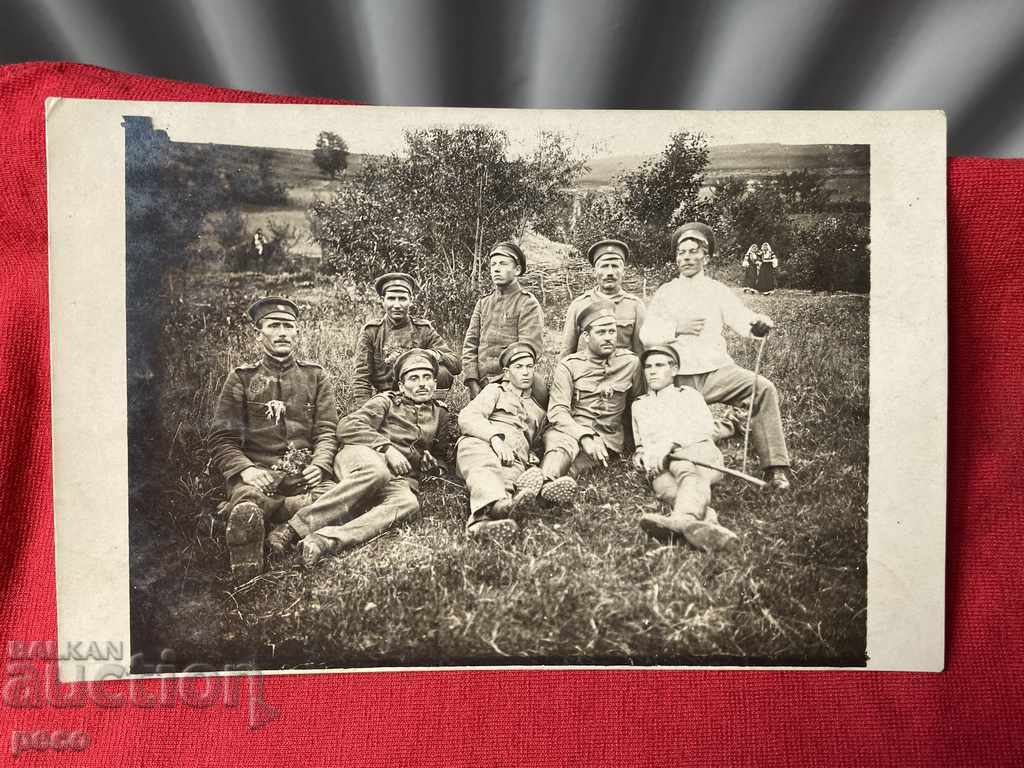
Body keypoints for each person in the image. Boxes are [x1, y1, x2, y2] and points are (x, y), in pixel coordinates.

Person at [640, 222, 791, 490]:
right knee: (679, 432)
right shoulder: (666, 293)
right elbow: (647, 334)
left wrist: (757, 322)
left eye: (692, 252)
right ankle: (691, 453)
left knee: (762, 388)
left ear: (706, 257)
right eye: (681, 252)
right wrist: (677, 327)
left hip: (715, 372)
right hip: (677, 379)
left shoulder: (716, 290)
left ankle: (776, 468)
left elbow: (741, 318)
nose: (686, 258)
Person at [267, 349, 452, 567]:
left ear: (434, 382)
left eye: (427, 377)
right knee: (377, 472)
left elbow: (440, 455)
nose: (422, 384)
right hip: (362, 455)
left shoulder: (440, 414)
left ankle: (324, 540)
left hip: (398, 476)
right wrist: (387, 448)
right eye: (414, 378)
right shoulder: (387, 401)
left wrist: (433, 466)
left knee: (409, 503)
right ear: (401, 386)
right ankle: (291, 528)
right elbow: (348, 426)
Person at [210, 297, 339, 580]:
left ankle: (264, 520)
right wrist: (248, 470)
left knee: (340, 496)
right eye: (274, 325)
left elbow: (327, 431)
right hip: (260, 477)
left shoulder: (315, 376)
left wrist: (319, 465)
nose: (282, 332)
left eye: (288, 326)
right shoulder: (242, 378)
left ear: (296, 332)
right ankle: (249, 544)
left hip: (304, 477)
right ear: (260, 334)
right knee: (248, 497)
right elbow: (222, 438)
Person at [632, 345, 739, 552]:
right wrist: (640, 455)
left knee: (686, 470)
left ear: (674, 370)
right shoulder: (639, 405)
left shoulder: (688, 395)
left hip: (698, 453)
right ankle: (708, 527)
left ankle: (680, 520)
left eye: (660, 365)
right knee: (667, 490)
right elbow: (640, 441)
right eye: (648, 366)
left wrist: (670, 444)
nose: (652, 371)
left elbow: (704, 428)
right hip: (661, 465)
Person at [538, 301, 642, 505]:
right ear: (586, 337)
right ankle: (545, 481)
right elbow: (558, 411)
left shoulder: (631, 363)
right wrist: (584, 435)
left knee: (575, 463)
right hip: (570, 430)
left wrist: (638, 444)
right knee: (562, 448)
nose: (609, 337)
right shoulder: (569, 366)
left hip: (607, 438)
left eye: (612, 331)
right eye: (601, 332)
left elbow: (638, 404)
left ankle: (539, 491)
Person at [456, 342, 547, 538]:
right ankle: (482, 517)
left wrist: (532, 456)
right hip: (480, 443)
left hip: (514, 457)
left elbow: (538, 441)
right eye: (519, 367)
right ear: (507, 372)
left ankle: (491, 519)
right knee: (485, 467)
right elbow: (468, 417)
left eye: (529, 367)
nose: (526, 372)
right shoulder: (495, 391)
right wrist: (496, 440)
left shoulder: (538, 410)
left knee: (508, 478)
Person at [352, 272, 460, 403]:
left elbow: (456, 364)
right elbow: (361, 377)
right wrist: (365, 411)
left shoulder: (423, 329)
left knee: (443, 372)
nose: (397, 305)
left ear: (411, 300)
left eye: (402, 299)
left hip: (420, 397)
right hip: (387, 399)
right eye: (391, 298)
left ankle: (433, 411)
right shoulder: (371, 332)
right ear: (382, 300)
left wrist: (432, 354)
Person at [462, 241, 547, 405]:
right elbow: (470, 345)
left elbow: (529, 348)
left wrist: (504, 380)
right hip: (482, 379)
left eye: (503, 263)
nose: (496, 268)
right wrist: (472, 381)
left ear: (517, 270)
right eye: (493, 264)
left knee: (540, 391)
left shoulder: (527, 303)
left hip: (512, 378)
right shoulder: (483, 303)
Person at [560, 238, 645, 357]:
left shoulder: (635, 306)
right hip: (588, 373)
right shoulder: (579, 305)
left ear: (623, 271)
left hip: (623, 373)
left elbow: (640, 353)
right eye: (604, 266)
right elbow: (566, 353)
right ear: (595, 271)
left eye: (615, 266)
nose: (610, 272)